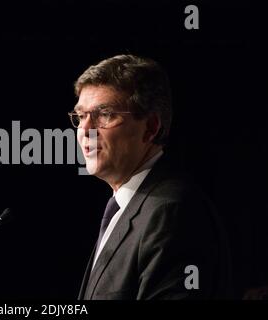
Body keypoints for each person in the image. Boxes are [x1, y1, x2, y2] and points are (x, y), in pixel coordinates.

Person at [69, 54, 232, 299]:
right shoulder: (127, 207)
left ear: (151, 127)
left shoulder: (171, 211)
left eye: (104, 115)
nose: (85, 131)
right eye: (81, 116)